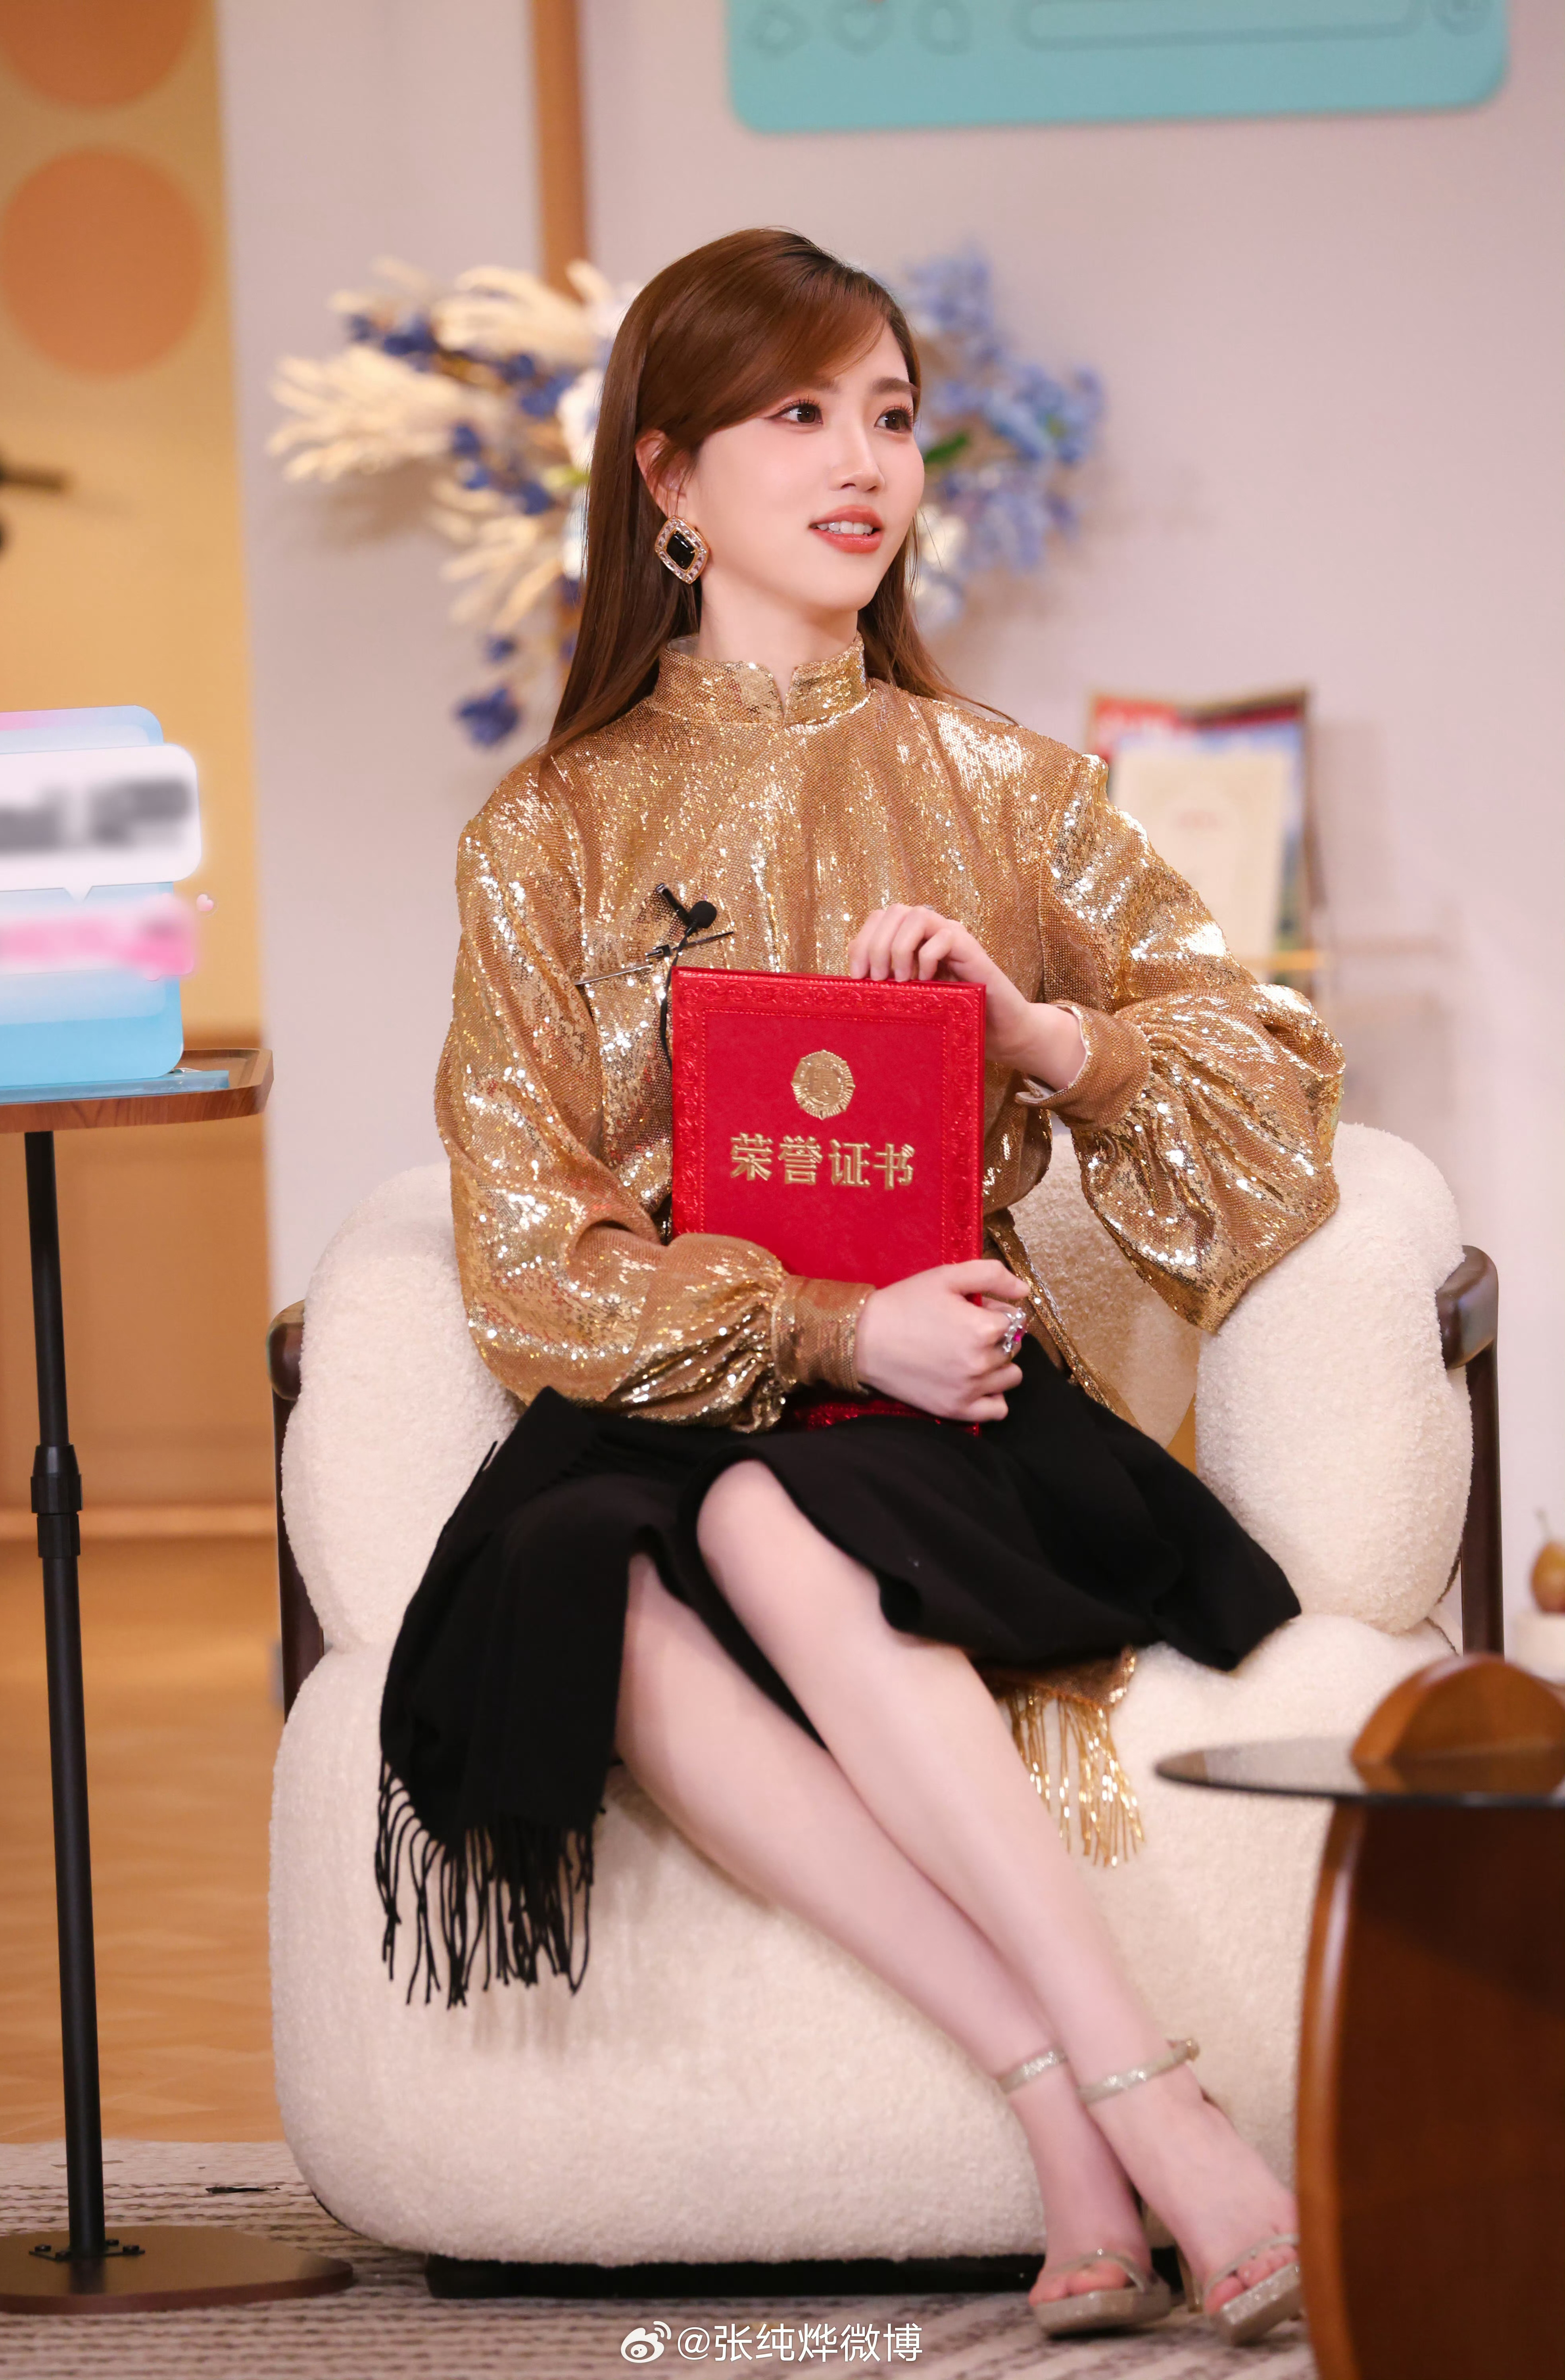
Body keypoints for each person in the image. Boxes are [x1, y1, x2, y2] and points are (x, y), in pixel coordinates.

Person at [378, 229, 1343, 2345]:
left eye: (892, 418)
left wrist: (1037, 1033)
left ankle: (1127, 2115)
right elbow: (526, 1242)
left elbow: (1268, 1089)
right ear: (668, 476)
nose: (862, 463)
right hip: (667, 1403)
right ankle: (1099, 2110)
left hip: (961, 1414)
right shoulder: (547, 835)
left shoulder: (1008, 785)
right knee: (589, 1563)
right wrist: (827, 1327)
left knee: (761, 1512)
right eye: (799, 414)